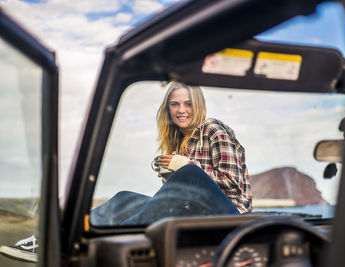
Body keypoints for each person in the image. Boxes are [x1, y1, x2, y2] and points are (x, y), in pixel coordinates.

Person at [1, 81, 252, 261]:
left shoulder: (213, 129)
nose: (181, 110)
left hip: (230, 219)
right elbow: (182, 196)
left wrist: (186, 168)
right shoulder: (181, 141)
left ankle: (104, 247)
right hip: (197, 216)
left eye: (187, 104)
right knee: (126, 197)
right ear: (168, 109)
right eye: (174, 104)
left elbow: (233, 184)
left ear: (198, 105)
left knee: (187, 175)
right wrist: (171, 176)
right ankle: (62, 236)